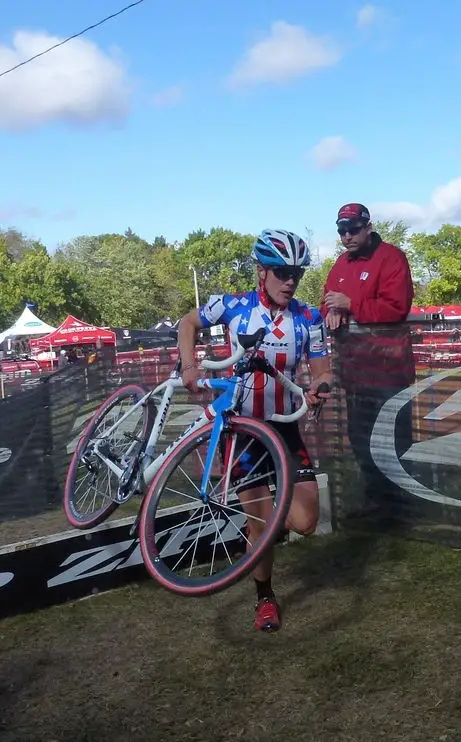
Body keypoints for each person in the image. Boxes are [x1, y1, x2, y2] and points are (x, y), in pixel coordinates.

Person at [177, 229, 334, 633]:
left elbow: (321, 370)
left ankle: (261, 524)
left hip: (284, 429)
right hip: (244, 432)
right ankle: (265, 597)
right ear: (261, 271)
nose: (290, 281)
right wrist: (190, 365)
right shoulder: (233, 306)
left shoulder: (308, 318)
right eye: (282, 272)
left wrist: (319, 388)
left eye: (296, 273)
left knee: (304, 521)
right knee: (261, 524)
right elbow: (187, 323)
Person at [320, 203, 415, 519]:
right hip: (355, 371)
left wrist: (351, 304)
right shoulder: (340, 265)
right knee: (360, 438)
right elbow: (326, 302)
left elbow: (396, 308)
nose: (346, 236)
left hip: (390, 370)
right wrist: (332, 312)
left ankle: (401, 504)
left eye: (352, 229)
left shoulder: (391, 258)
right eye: (341, 231)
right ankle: (377, 498)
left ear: (367, 226)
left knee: (394, 440)